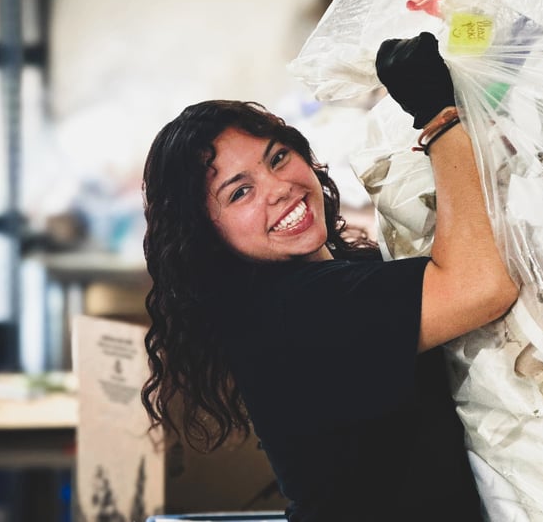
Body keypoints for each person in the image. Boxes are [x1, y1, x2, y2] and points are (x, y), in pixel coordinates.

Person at [141, 32, 519, 522]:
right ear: (206, 235)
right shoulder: (297, 312)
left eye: (277, 158)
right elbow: (483, 286)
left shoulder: (336, 278)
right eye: (240, 193)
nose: (278, 189)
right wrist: (438, 117)